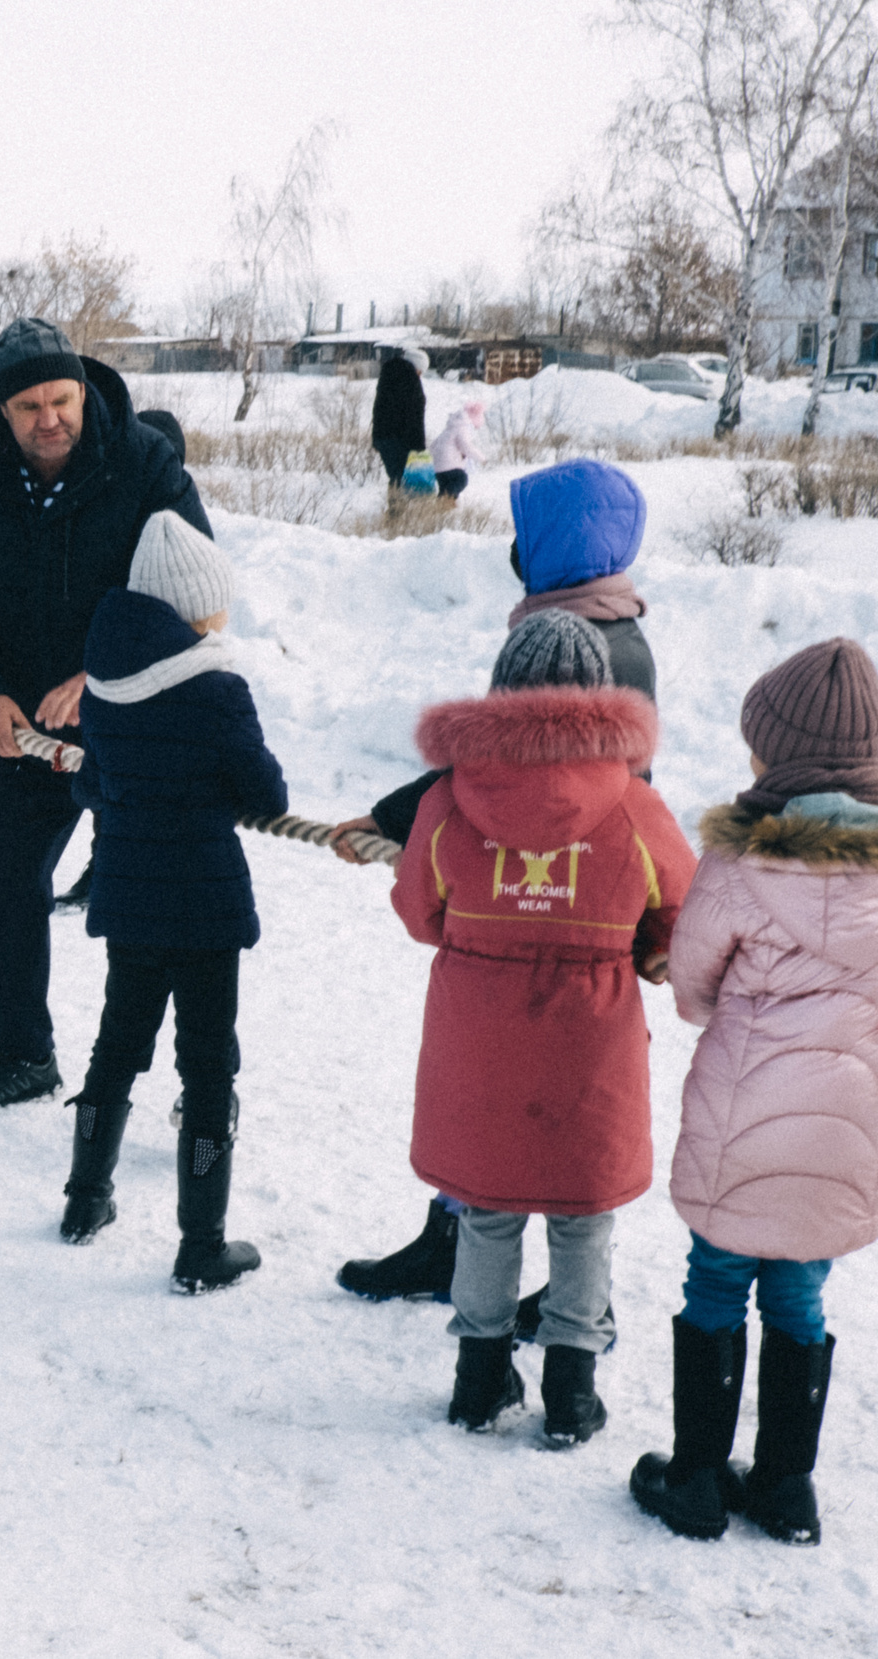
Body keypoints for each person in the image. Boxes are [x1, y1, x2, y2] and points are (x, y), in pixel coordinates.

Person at [632, 638, 878, 1545]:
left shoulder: (739, 864)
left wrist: (721, 1003)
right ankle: (785, 1489)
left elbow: (694, 986)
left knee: (716, 1277)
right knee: (800, 1293)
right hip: (847, 1127)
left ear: (779, 756)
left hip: (741, 1119)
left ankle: (695, 1477)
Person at [332, 458, 660, 1320]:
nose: (512, 548)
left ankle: (568, 1303)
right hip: (556, 922)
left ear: (552, 544)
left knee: (534, 1110)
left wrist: (409, 826)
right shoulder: (583, 627)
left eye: (524, 532)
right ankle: (464, 1251)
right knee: (510, 1108)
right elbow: (487, 773)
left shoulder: (596, 648)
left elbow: (574, 792)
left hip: (559, 929)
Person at [389, 611, 696, 1446]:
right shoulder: (634, 805)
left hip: (478, 1041)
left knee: (486, 1207)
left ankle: (478, 1378)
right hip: (588, 1046)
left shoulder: (451, 798)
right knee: (582, 1213)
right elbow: (683, 908)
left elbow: (420, 911)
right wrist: (645, 944)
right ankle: (571, 1388)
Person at [0, 317, 210, 1118]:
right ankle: (22, 1051)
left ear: (83, 390)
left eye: (61, 398)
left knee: (164, 902)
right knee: (5, 879)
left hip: (137, 718)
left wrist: (104, 670)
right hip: (23, 723)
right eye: (28, 406)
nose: (49, 419)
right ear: (2, 412)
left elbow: (196, 592)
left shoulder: (145, 463)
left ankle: (198, 1081)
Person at [58, 517, 288, 1292]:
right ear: (195, 610)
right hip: (204, 905)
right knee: (207, 1064)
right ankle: (202, 1245)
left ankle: (85, 1200)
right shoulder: (218, 688)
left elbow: (91, 780)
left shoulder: (104, 680)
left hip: (128, 895)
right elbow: (264, 791)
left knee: (116, 1045)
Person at [56, 406, 192, 916]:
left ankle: (132, 871)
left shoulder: (177, 517)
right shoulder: (108, 501)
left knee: (144, 778)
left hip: (162, 668)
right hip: (107, 662)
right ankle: (105, 865)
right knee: (106, 770)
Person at [371, 345, 428, 488]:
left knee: (395, 477)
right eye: (420, 372)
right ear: (417, 367)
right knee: (403, 480)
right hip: (402, 439)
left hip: (382, 436)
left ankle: (394, 508)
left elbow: (378, 409)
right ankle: (400, 509)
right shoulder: (412, 381)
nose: (420, 375)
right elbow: (415, 418)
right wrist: (419, 448)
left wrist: (376, 438)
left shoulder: (386, 376)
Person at [430, 399, 485, 503]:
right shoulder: (462, 428)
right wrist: (481, 458)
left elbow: (433, 446)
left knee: (445, 487)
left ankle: (443, 509)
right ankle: (443, 500)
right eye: (475, 427)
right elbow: (466, 446)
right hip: (450, 466)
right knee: (461, 480)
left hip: (438, 468)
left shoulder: (449, 428)